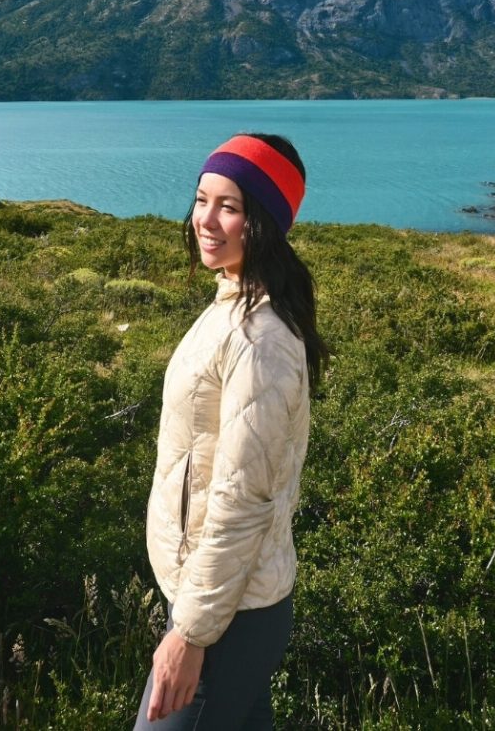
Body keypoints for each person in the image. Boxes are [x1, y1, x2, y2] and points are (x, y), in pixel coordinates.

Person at [133, 133, 327, 729]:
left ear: (262, 222)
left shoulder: (261, 339)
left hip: (225, 615)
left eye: (230, 206)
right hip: (222, 601)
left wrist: (189, 635)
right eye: (201, 199)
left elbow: (243, 501)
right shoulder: (232, 303)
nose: (206, 220)